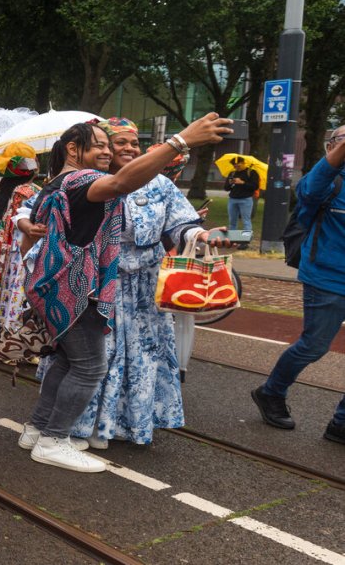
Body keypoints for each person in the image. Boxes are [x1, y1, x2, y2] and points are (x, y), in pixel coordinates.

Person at [19, 113, 231, 473]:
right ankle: (55, 439)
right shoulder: (88, 180)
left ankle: (40, 429)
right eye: (105, 144)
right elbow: (116, 186)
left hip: (101, 286)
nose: (116, 149)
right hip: (84, 285)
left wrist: (200, 234)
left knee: (73, 360)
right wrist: (181, 141)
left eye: (126, 143)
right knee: (91, 366)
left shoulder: (66, 179)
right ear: (75, 149)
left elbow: (180, 223)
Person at [252, 125, 345, 445]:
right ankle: (271, 392)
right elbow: (306, 193)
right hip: (327, 276)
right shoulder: (328, 179)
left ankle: (341, 423)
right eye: (342, 140)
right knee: (315, 345)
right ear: (331, 146)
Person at [0, 143, 41, 340]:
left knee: (4, 288)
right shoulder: (30, 191)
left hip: (3, 249)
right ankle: (15, 335)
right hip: (22, 247)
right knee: (18, 290)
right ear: (32, 168)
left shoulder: (5, 189)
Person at [224, 156, 259, 243]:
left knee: (246, 221)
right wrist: (230, 183)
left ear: (243, 163)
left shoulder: (251, 172)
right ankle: (232, 239)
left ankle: (245, 240)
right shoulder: (232, 173)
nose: (236, 167)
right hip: (233, 199)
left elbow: (254, 186)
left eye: (238, 165)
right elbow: (226, 188)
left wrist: (242, 182)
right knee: (232, 221)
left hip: (246, 199)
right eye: (235, 166)